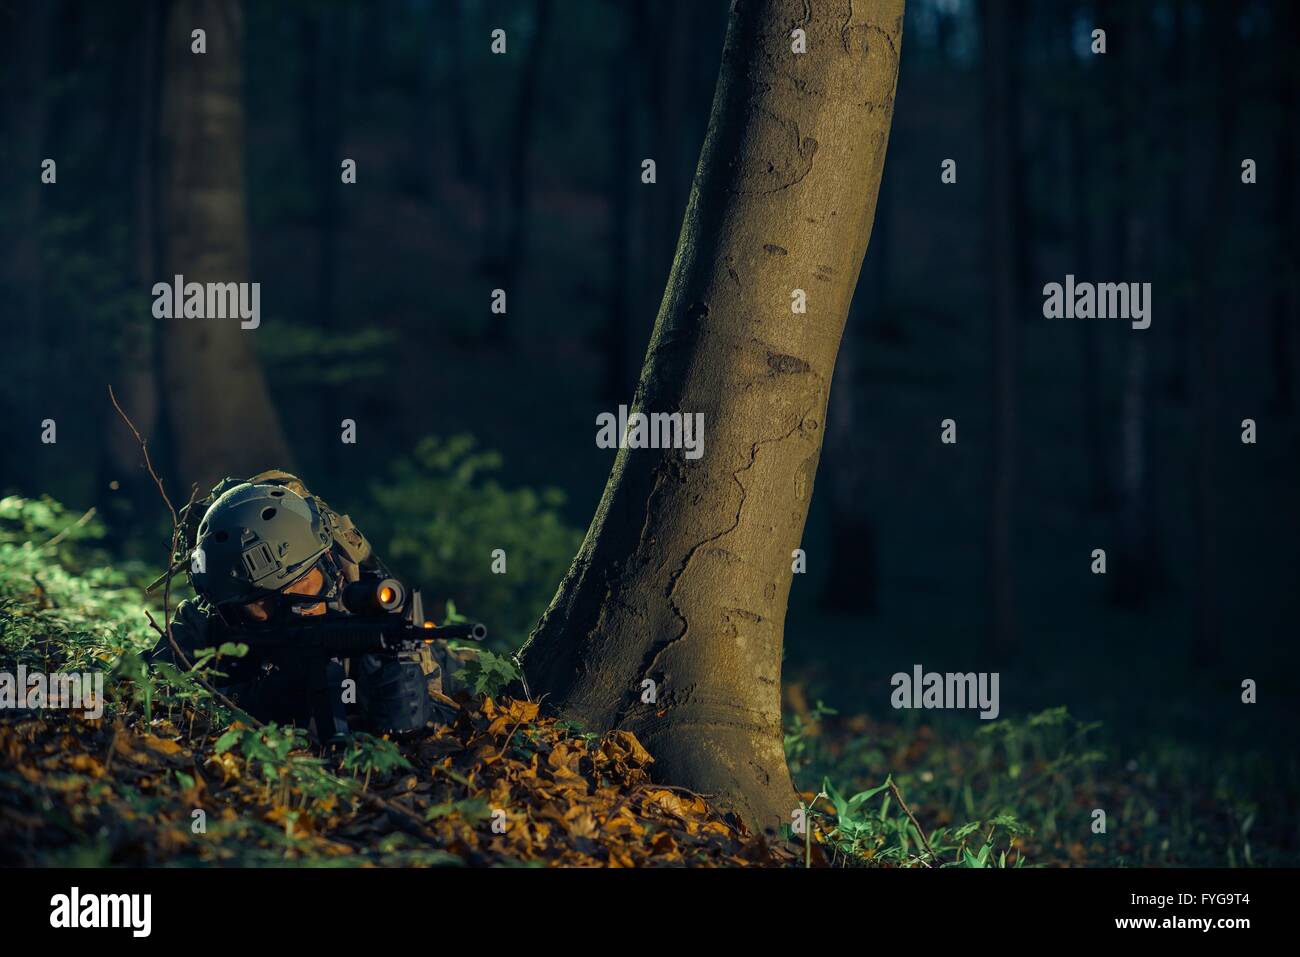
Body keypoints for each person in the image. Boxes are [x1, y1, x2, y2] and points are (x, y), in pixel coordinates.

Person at [149, 470, 471, 741]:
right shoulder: (204, 624)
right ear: (229, 612)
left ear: (329, 564)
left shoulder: (365, 619)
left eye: (304, 585)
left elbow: (447, 722)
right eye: (264, 604)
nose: (295, 609)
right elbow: (150, 691)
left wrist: (410, 709)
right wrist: (264, 699)